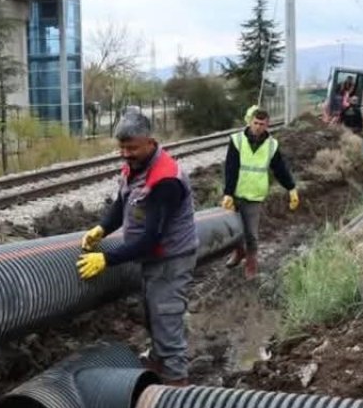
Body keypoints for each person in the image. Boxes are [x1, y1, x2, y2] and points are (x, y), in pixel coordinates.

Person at [77, 111, 198, 387]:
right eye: (121, 147)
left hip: (171, 260)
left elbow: (149, 239)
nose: (125, 153)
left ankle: (176, 386)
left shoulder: (165, 179)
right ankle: (157, 360)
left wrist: (106, 258)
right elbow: (122, 204)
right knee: (152, 313)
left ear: (150, 142)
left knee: (166, 318)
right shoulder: (136, 166)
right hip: (152, 259)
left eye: (131, 148)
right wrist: (102, 229)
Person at [222, 108, 300, 278]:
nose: (258, 127)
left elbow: (280, 169)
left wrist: (291, 188)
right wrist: (228, 192)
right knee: (233, 230)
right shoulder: (237, 141)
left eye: (262, 124)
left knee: (251, 233)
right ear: (250, 121)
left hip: (254, 196)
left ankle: (251, 260)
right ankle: (239, 252)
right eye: (255, 123)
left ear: (267, 125)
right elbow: (230, 168)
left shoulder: (272, 145)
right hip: (235, 194)